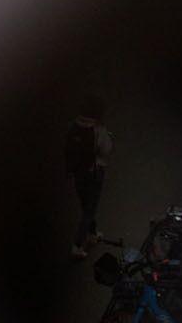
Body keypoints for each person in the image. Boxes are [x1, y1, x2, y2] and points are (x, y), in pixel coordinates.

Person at [63, 100, 112, 260]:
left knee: (85, 203)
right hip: (94, 173)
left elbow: (68, 150)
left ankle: (92, 233)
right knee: (89, 210)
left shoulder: (73, 127)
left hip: (79, 173)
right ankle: (77, 245)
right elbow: (105, 150)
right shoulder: (98, 129)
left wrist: (69, 171)